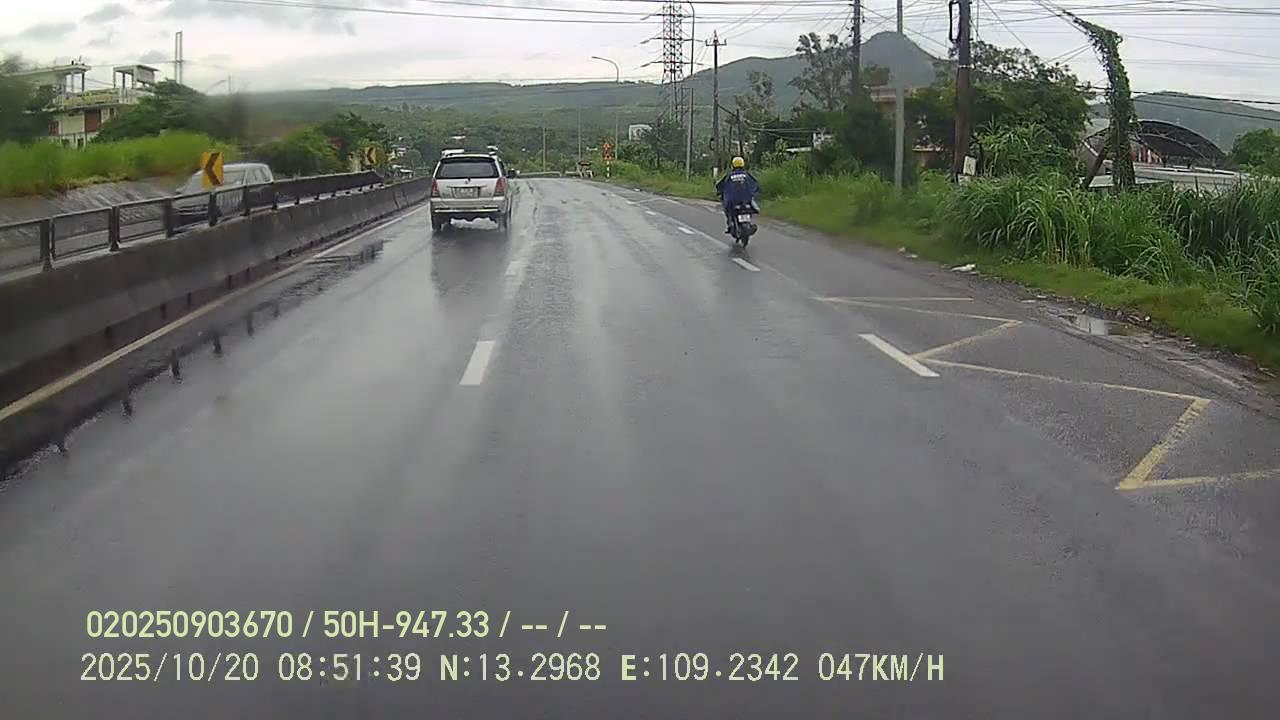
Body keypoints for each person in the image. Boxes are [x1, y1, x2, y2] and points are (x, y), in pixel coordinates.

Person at [715, 156, 760, 234]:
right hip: (746, 200)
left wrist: (719, 191)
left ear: (733, 165)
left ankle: (730, 223)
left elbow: (720, 185)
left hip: (732, 201)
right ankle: (746, 223)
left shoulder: (729, 176)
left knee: (727, 209)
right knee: (752, 207)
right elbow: (755, 184)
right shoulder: (747, 175)